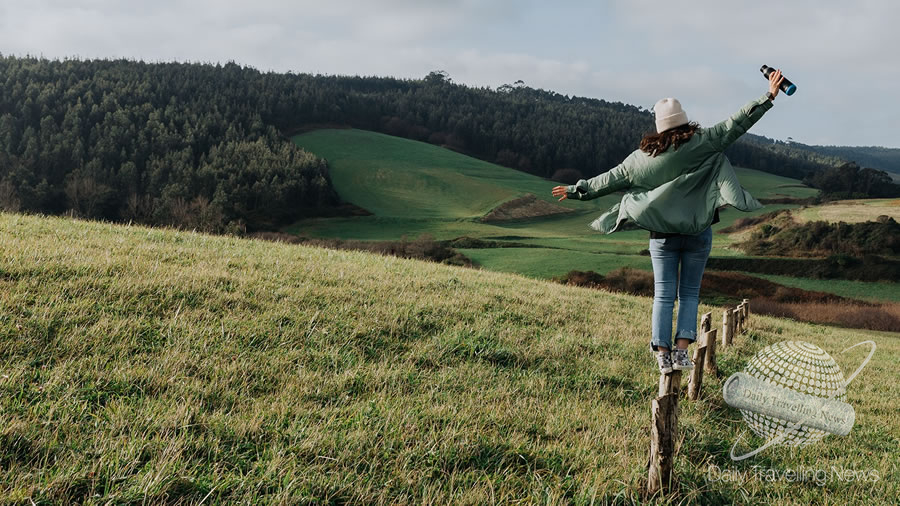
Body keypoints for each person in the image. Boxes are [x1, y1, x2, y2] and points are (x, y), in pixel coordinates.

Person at [551, 70, 785, 375]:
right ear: (685, 121)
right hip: (698, 233)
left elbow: (606, 181)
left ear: (658, 127)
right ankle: (682, 352)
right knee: (689, 293)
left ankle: (662, 354)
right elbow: (738, 121)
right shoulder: (704, 142)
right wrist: (768, 96)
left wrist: (575, 190)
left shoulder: (640, 159)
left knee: (663, 293)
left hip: (662, 236)